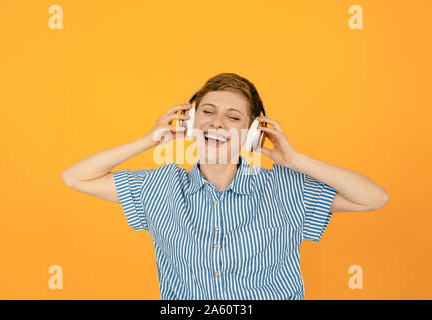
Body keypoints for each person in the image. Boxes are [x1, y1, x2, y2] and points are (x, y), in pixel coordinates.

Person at [61, 72, 390, 299]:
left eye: (234, 117)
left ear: (252, 133)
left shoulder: (287, 188)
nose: (217, 122)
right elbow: (74, 176)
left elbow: (374, 198)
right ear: (191, 122)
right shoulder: (160, 187)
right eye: (207, 112)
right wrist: (148, 141)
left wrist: (295, 160)